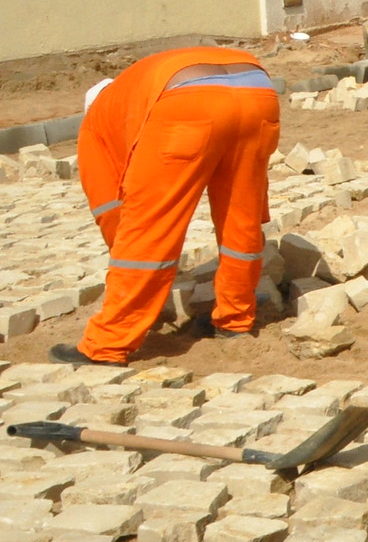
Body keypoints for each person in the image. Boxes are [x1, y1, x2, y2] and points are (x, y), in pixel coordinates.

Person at [55, 48, 281, 366]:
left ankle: (107, 344)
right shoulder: (135, 84)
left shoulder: (95, 125)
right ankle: (235, 318)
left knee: (151, 225)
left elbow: (114, 213)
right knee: (240, 214)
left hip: (185, 99)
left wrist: (137, 279)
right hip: (257, 88)